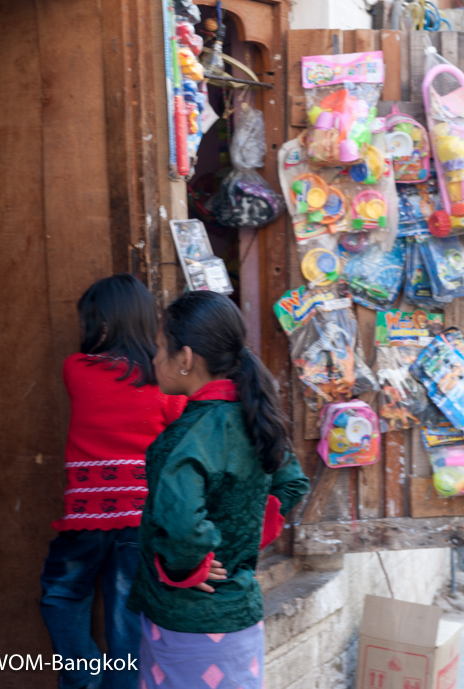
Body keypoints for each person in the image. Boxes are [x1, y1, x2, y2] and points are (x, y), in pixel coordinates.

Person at [128, 290, 310, 689]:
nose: (154, 358)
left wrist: (186, 565)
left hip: (186, 626)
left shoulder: (184, 438)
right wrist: (243, 533)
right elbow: (292, 483)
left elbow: (181, 524)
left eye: (160, 347)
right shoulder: (254, 418)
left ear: (186, 358)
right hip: (240, 621)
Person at [40, 273, 186, 689]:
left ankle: (85, 676)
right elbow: (179, 430)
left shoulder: (77, 369)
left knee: (61, 597)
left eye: (90, 322)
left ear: (105, 325)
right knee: (126, 621)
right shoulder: (165, 386)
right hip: (140, 522)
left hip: (85, 520)